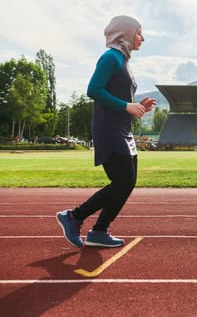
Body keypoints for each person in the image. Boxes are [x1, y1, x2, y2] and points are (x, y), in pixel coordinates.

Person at [56, 15, 156, 248]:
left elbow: (118, 96)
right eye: (139, 32)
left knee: (127, 182)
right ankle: (73, 217)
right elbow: (93, 89)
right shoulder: (111, 57)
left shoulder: (123, 60)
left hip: (123, 129)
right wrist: (126, 106)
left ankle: (99, 231)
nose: (143, 37)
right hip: (109, 130)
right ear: (125, 33)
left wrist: (137, 106)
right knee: (123, 181)